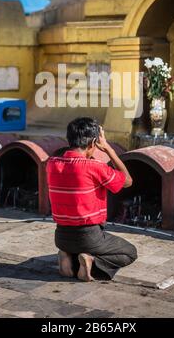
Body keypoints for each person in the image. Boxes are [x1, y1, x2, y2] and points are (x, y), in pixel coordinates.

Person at [46, 117, 137, 282]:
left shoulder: (52, 164)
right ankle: (91, 261)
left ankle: (67, 256)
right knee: (129, 252)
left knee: (79, 247)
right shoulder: (94, 167)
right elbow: (128, 181)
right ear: (93, 143)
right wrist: (108, 148)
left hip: (61, 236)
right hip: (89, 236)